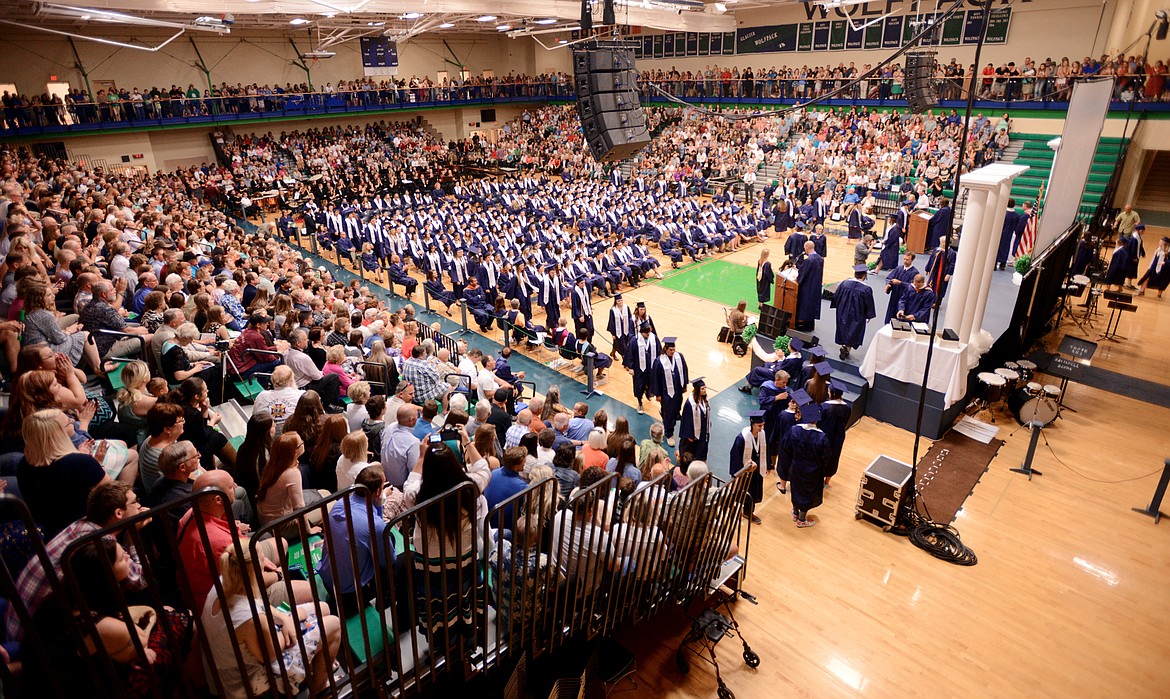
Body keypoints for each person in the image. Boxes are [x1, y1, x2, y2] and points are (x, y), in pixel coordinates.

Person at [202, 541, 342, 699]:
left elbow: (259, 605)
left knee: (323, 607)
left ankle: (315, 666)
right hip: (249, 683)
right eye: (262, 561)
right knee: (334, 624)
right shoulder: (251, 618)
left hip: (234, 661)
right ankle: (320, 690)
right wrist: (291, 621)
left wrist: (284, 618)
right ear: (255, 572)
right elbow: (271, 653)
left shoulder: (226, 580)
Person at [317, 465, 396, 617]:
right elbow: (388, 561)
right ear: (378, 492)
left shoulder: (340, 503)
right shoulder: (375, 525)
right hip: (351, 593)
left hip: (329, 580)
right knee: (404, 559)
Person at [18, 408, 110, 538]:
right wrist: (97, 463)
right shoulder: (80, 463)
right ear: (59, 434)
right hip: (85, 535)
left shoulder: (24, 464)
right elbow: (117, 493)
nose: (73, 421)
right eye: (69, 422)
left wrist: (83, 458)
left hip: (50, 536)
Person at [782, 393, 829, 528]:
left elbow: (786, 446)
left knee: (796, 488)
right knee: (807, 493)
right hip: (812, 471)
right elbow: (826, 457)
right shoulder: (821, 437)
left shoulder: (794, 430)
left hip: (796, 466)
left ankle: (795, 512)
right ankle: (802, 520)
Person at [831, 264, 877, 360]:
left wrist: (838, 306)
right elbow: (868, 303)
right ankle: (847, 347)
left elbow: (836, 296)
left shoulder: (844, 283)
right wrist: (869, 315)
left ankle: (845, 346)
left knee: (843, 327)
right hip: (857, 313)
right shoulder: (866, 289)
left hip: (843, 310)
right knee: (854, 330)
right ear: (864, 275)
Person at [728, 411, 766, 525]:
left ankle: (748, 512)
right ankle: (732, 509)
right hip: (744, 471)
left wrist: (767, 465)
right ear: (752, 424)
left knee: (753, 492)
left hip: (756, 470)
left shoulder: (762, 434)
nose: (761, 428)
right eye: (759, 425)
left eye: (763, 425)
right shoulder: (742, 438)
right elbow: (735, 455)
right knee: (740, 492)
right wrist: (739, 472)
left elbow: (765, 449)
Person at [653, 337, 689, 446]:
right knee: (669, 413)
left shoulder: (679, 357)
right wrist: (658, 394)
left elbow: (684, 370)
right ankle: (669, 434)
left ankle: (665, 413)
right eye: (670, 350)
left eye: (674, 349)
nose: (673, 352)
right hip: (666, 392)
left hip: (677, 390)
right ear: (666, 349)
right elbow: (655, 378)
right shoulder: (659, 361)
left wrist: (684, 385)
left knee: (677, 408)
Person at [484, 446, 530, 528]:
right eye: (524, 461)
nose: (525, 463)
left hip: (487, 524)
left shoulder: (493, 473)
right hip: (506, 528)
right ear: (516, 466)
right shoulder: (523, 488)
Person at [252, 366, 305, 433]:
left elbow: (254, 417)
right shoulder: (301, 395)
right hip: (292, 434)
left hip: (266, 435)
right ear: (291, 380)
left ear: (272, 379)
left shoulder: (262, 396)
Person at [819, 380, 852, 488]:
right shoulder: (847, 408)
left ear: (832, 394)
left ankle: (819, 479)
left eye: (829, 391)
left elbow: (819, 422)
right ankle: (827, 482)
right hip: (839, 436)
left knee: (821, 457)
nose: (828, 393)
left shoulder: (824, 407)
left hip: (825, 436)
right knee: (834, 457)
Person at [623, 322, 661, 415]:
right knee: (639, 386)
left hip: (651, 368)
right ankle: (640, 402)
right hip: (639, 369)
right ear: (641, 332)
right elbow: (629, 354)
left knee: (650, 383)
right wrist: (630, 367)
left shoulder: (654, 338)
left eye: (649, 332)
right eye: (646, 333)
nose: (648, 334)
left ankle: (648, 393)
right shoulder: (635, 340)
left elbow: (659, 351)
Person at [381, 403, 421, 490]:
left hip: (384, 477)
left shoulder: (388, 428)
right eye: (417, 416)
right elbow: (414, 471)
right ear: (411, 420)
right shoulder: (413, 443)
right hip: (400, 487)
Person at [678, 378, 711, 461]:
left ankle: (700, 459)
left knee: (702, 446)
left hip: (703, 429)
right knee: (690, 448)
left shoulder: (705, 399)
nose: (704, 390)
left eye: (705, 388)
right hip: (692, 432)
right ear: (697, 390)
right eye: (702, 389)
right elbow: (686, 420)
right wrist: (689, 435)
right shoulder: (690, 403)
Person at [794, 240, 824, 331]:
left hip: (808, 287)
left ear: (806, 248)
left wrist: (797, 279)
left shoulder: (809, 261)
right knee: (812, 305)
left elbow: (803, 274)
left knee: (805, 305)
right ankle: (810, 325)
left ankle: (803, 325)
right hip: (816, 286)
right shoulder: (820, 258)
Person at [884, 252, 919, 323]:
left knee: (900, 317)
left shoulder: (915, 273)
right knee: (890, 316)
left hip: (905, 299)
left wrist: (900, 283)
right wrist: (888, 284)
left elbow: (913, 286)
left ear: (912, 260)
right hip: (894, 296)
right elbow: (889, 277)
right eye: (904, 259)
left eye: (907, 260)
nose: (905, 261)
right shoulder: (899, 268)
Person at [606, 293, 635, 362]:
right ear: (616, 301)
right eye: (618, 301)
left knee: (617, 344)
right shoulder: (613, 310)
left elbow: (630, 318)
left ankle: (613, 353)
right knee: (622, 346)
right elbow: (611, 322)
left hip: (626, 329)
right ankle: (625, 361)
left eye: (621, 300)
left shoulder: (626, 307)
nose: (620, 302)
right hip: (617, 330)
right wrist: (613, 334)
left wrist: (631, 328)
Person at [996, 199, 1021, 270]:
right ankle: (1003, 264)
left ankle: (994, 263)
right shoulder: (1016, 215)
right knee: (1006, 248)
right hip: (1009, 234)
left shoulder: (1003, 213)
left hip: (1001, 233)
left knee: (998, 248)